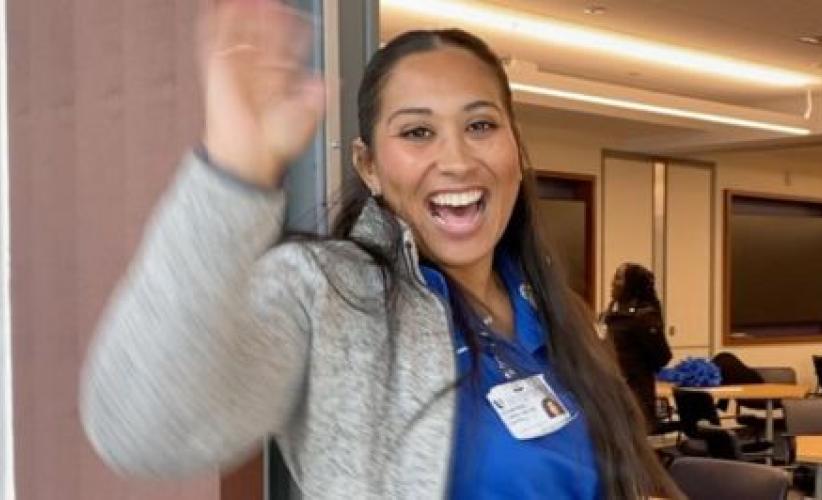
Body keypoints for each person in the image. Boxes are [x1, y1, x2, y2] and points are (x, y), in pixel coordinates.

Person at [79, 2, 677, 499]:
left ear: (516, 150)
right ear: (369, 166)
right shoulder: (327, 294)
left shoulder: (557, 310)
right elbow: (142, 429)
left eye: (480, 126)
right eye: (418, 132)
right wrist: (233, 175)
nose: (457, 159)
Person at [602, 263, 673, 427]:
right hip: (612, 392)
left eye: (619, 278)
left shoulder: (644, 317)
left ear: (631, 285)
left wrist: (634, 366)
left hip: (636, 395)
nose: (613, 283)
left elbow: (662, 357)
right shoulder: (610, 315)